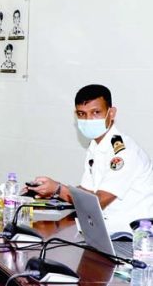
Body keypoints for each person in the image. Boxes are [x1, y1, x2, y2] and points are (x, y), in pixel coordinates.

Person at [29, 85, 153, 234]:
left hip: (132, 235)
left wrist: (58, 189)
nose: (88, 119)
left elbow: (98, 202)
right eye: (82, 114)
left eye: (96, 112)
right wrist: (50, 191)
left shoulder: (123, 152)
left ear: (111, 113)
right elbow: (86, 191)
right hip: (105, 229)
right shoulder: (96, 145)